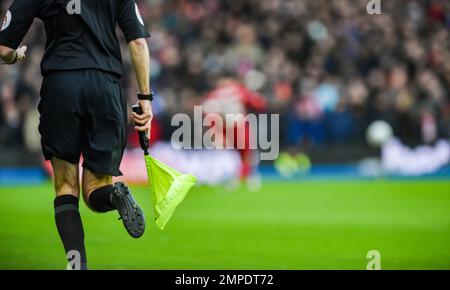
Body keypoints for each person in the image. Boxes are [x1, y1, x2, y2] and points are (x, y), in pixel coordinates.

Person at [0, 0, 153, 270]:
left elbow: (4, 49)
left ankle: (76, 264)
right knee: (95, 190)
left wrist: (15, 57)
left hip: (61, 85)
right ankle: (115, 194)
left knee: (65, 187)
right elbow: (138, 43)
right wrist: (145, 99)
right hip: (105, 87)